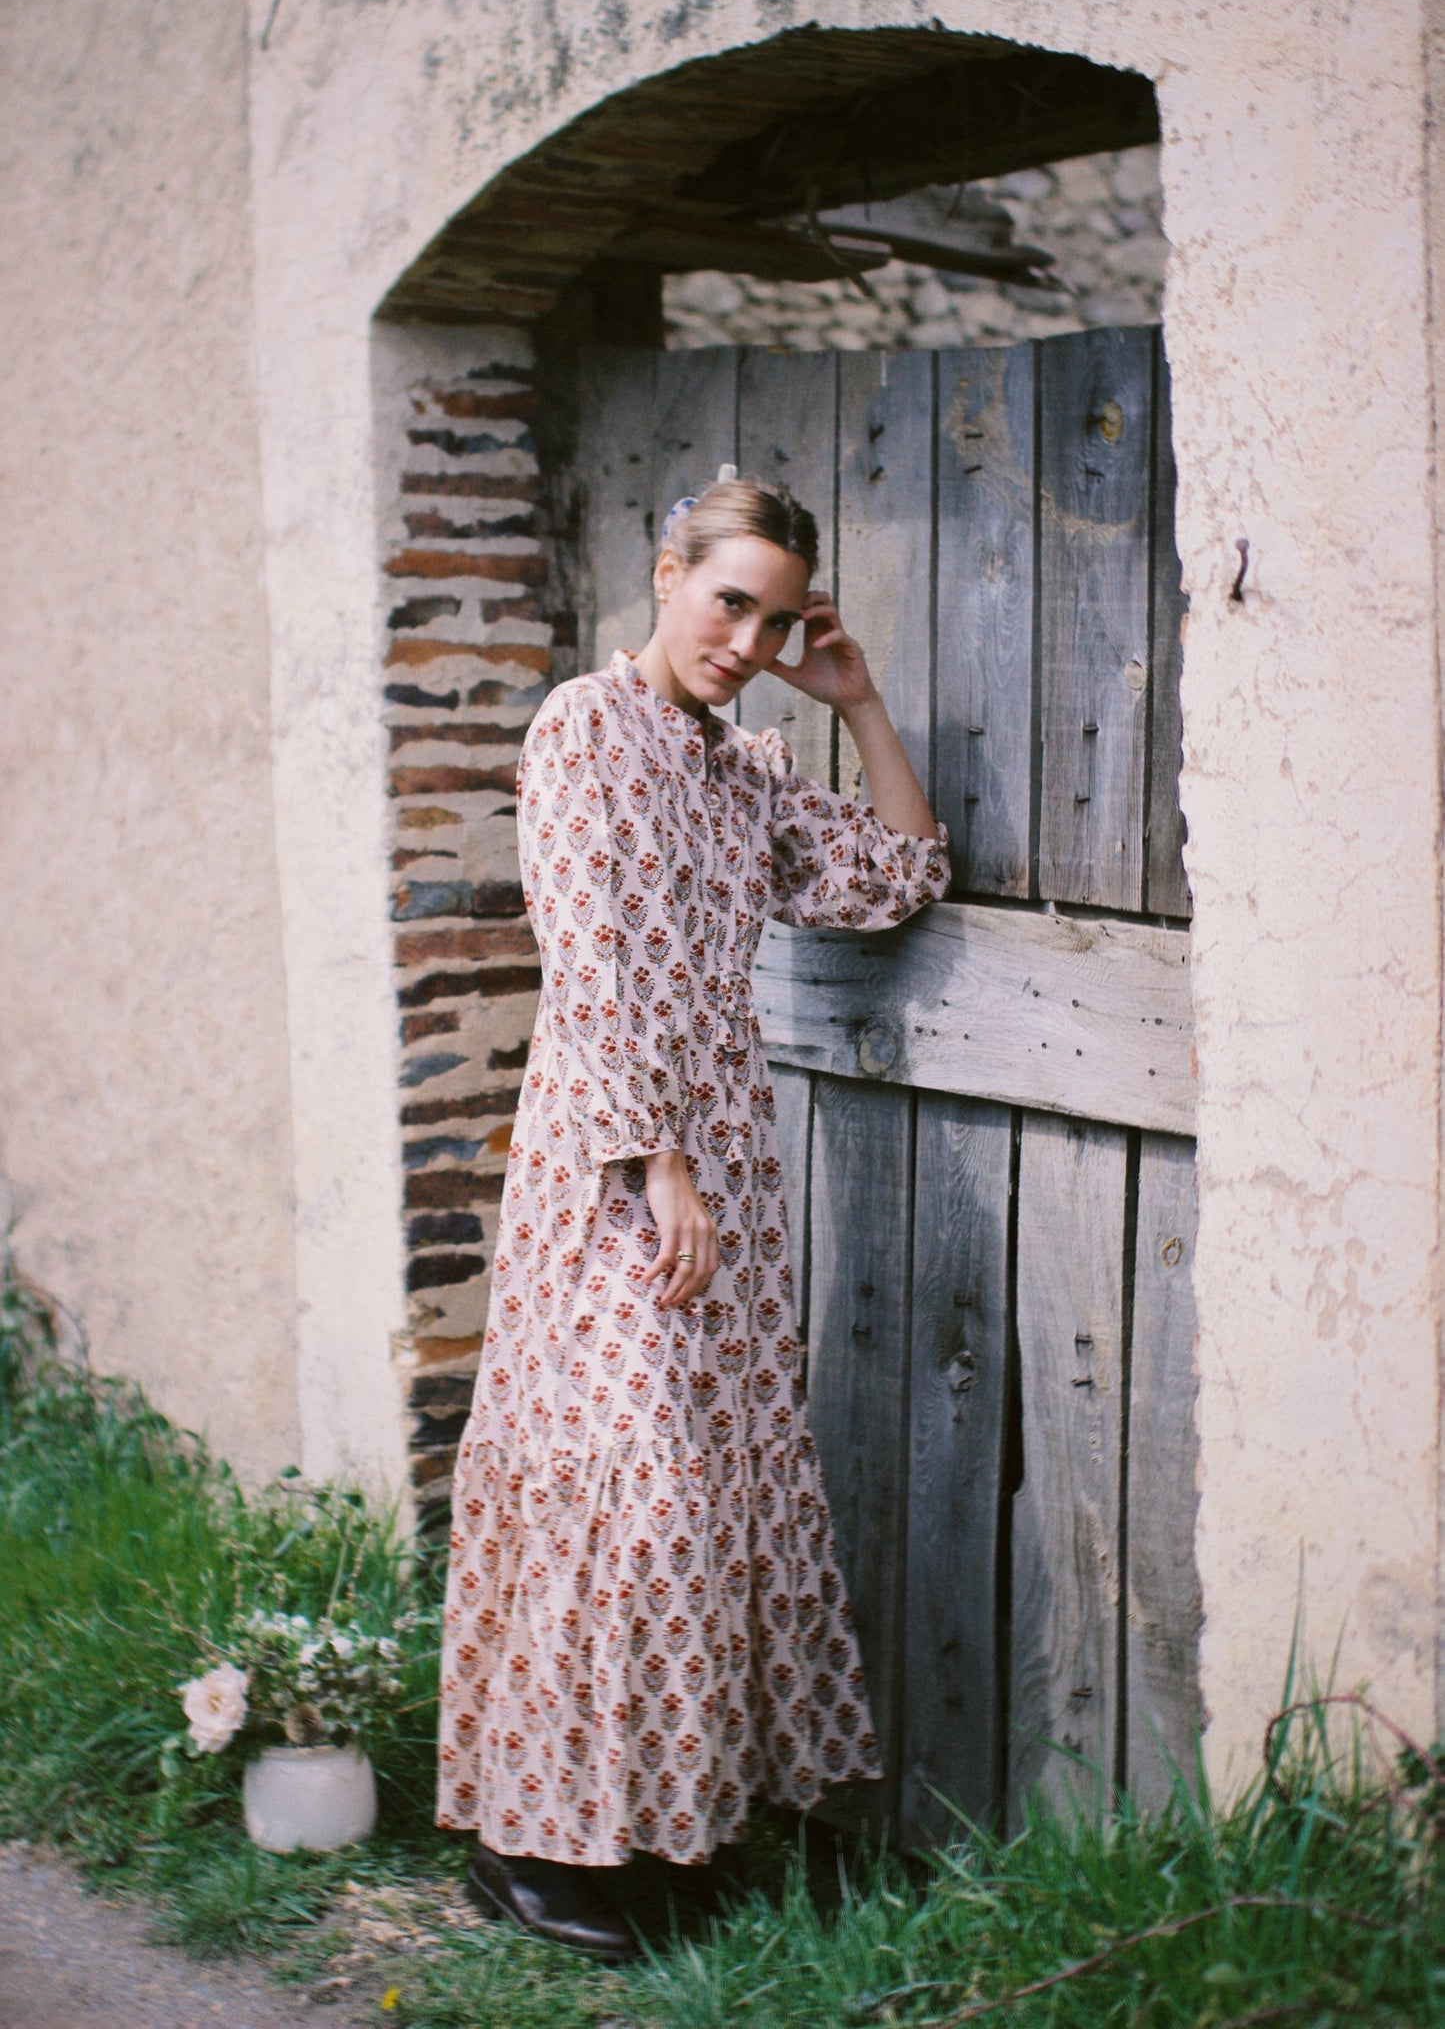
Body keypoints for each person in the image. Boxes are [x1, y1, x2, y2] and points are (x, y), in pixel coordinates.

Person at [435, 473, 949, 1959]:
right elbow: (587, 955)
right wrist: (656, 1162)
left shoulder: (746, 772)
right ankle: (527, 1841)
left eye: (776, 621)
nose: (748, 642)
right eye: (730, 602)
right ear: (667, 574)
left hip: (725, 1159)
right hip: (612, 1157)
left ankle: (662, 1825)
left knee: (707, 1495)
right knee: (628, 1487)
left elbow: (900, 875)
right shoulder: (581, 729)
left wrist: (857, 706)